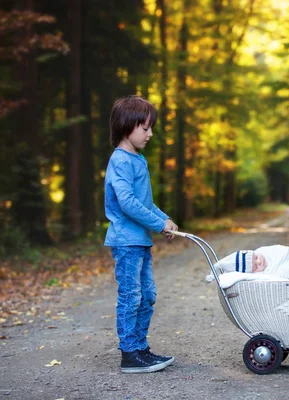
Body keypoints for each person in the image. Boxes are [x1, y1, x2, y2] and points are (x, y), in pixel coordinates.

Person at [104, 95, 178, 374]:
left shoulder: (138, 159)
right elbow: (127, 202)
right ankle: (129, 354)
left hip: (140, 241)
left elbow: (144, 202)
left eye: (151, 128)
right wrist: (158, 225)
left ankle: (140, 347)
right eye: (144, 128)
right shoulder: (120, 160)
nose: (150, 133)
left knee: (147, 295)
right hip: (125, 242)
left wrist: (165, 219)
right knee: (131, 296)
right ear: (126, 126)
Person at [206, 245, 289, 282]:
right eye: (256, 266)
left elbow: (287, 252)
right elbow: (275, 277)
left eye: (256, 257)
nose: (259, 261)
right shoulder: (259, 276)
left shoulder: (263, 251)